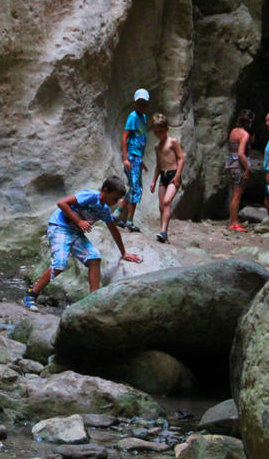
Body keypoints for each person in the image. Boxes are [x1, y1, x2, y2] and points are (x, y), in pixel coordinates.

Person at [22, 175, 142, 311]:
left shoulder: (105, 210)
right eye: (114, 198)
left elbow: (114, 231)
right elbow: (62, 203)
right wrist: (79, 221)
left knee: (94, 258)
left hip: (75, 233)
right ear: (105, 190)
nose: (115, 202)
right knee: (60, 263)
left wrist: (124, 253)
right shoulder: (90, 196)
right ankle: (32, 294)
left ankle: (93, 300)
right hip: (59, 227)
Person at [113, 88, 150, 232]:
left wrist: (142, 162)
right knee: (136, 189)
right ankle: (129, 221)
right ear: (135, 103)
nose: (141, 106)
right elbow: (124, 137)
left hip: (138, 158)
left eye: (144, 103)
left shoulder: (144, 118)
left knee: (134, 188)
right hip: (132, 157)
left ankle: (117, 214)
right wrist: (125, 158)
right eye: (139, 103)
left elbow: (140, 139)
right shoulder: (133, 116)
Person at [149, 113, 184, 243]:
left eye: (160, 131)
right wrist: (153, 181)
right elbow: (158, 165)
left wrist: (178, 175)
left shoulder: (172, 142)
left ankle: (163, 231)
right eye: (156, 132)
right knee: (161, 206)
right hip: (163, 176)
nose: (158, 134)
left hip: (173, 174)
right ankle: (164, 233)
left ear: (166, 129)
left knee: (167, 201)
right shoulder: (157, 146)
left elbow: (181, 158)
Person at [225, 109, 254, 231]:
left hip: (230, 164)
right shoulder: (244, 134)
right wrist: (247, 168)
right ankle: (234, 223)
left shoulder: (233, 131)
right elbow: (241, 153)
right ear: (250, 121)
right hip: (239, 166)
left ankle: (231, 221)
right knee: (237, 195)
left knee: (234, 194)